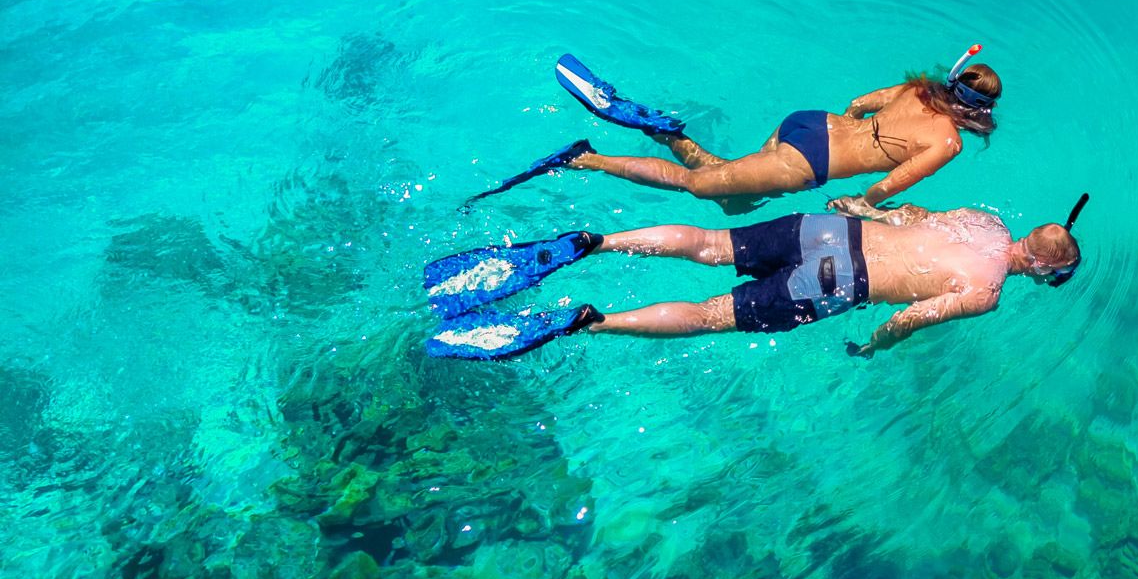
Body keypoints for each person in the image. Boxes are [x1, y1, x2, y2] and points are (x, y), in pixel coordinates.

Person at [422, 195, 1089, 361]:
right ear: (1048, 269)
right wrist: (876, 345)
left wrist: (860, 207)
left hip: (834, 232)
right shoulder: (989, 291)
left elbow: (911, 213)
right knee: (713, 313)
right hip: (837, 280)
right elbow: (913, 316)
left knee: (711, 243)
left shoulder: (984, 220)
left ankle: (596, 241)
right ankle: (590, 320)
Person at [463, 46, 1002, 209]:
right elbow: (890, 185)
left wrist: (860, 134)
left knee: (733, 193)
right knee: (699, 186)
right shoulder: (948, 141)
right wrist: (863, 203)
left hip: (808, 125)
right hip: (808, 165)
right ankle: (583, 157)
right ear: (980, 112)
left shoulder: (917, 90)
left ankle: (668, 133)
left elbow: (859, 104)